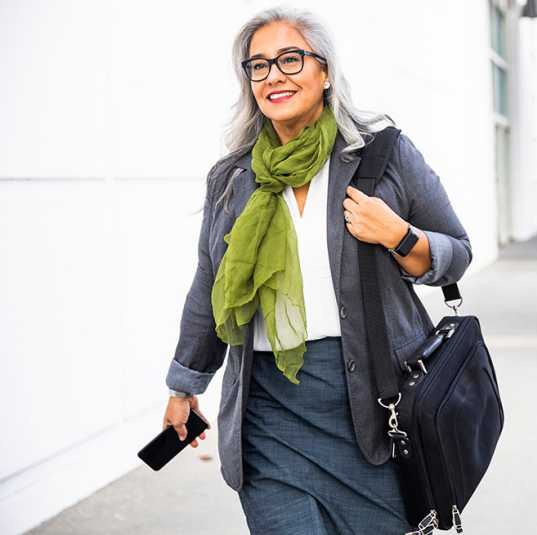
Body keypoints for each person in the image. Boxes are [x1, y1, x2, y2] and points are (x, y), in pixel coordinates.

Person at [160, 6, 472, 534]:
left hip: (371, 406)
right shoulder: (234, 178)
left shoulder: (382, 156)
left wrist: (398, 234)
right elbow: (209, 285)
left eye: (290, 58)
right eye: (257, 66)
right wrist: (184, 386)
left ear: (325, 72)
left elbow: (455, 254)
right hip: (267, 410)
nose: (273, 75)